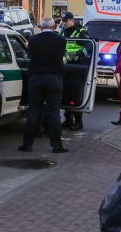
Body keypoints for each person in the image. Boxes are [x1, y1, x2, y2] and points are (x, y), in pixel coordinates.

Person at [19, 17, 68, 154]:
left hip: (36, 78)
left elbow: (29, 55)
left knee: (34, 111)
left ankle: (27, 144)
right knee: (54, 113)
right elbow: (63, 56)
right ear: (53, 27)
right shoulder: (61, 40)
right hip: (54, 79)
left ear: (40, 27)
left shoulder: (33, 40)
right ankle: (57, 145)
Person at [61, 12, 89, 130]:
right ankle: (68, 119)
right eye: (63, 21)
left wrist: (76, 54)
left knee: (76, 94)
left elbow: (88, 47)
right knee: (66, 93)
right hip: (65, 66)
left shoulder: (80, 31)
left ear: (72, 20)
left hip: (78, 67)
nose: (64, 23)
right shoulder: (63, 32)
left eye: (66, 21)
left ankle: (78, 121)